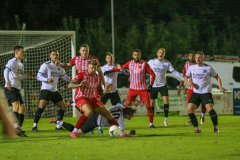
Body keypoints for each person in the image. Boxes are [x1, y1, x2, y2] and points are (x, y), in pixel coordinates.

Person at [67, 59, 119, 138]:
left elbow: (101, 93)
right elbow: (70, 85)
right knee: (89, 111)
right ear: (88, 67)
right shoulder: (82, 75)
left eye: (95, 68)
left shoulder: (98, 77)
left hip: (92, 99)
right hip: (81, 98)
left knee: (107, 113)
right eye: (92, 67)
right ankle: (74, 132)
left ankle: (120, 131)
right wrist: (79, 85)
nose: (93, 69)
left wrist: (106, 90)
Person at [184, 51, 225, 133]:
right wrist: (187, 82)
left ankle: (216, 127)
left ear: (203, 58)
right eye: (196, 57)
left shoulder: (208, 68)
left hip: (206, 93)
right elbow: (186, 77)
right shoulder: (192, 67)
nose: (197, 59)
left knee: (210, 109)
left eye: (199, 57)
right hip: (196, 93)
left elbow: (217, 77)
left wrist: (220, 87)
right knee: (189, 110)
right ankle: (197, 128)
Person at [32, 50, 72, 131]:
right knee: (41, 107)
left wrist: (73, 81)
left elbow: (64, 77)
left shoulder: (60, 66)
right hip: (46, 89)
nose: (55, 56)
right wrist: (47, 79)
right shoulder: (46, 65)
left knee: (63, 107)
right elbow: (38, 76)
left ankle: (58, 126)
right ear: (50, 56)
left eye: (57, 54)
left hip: (54, 90)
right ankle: (34, 126)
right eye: (53, 55)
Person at [117, 49, 156, 128]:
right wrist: (111, 70)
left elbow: (153, 74)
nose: (136, 56)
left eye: (138, 55)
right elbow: (121, 68)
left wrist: (151, 85)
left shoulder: (145, 64)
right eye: (135, 55)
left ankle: (151, 124)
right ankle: (121, 124)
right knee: (126, 106)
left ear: (140, 56)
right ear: (132, 55)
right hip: (132, 89)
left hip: (143, 89)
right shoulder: (129, 63)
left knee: (148, 106)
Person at [49, 103, 136, 137]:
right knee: (76, 132)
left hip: (96, 115)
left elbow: (119, 104)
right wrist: (129, 135)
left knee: (77, 128)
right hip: (94, 121)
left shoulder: (121, 108)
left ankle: (73, 104)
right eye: (131, 115)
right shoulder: (121, 121)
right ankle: (58, 121)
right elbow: (121, 134)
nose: (132, 117)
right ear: (127, 114)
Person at [148, 48, 184, 126]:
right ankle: (151, 122)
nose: (161, 54)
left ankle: (165, 119)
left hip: (162, 85)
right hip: (153, 85)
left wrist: (183, 79)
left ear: (164, 55)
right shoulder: (151, 62)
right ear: (157, 53)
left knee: (166, 101)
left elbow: (173, 71)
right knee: (152, 104)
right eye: (160, 52)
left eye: (163, 53)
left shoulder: (166, 63)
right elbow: (144, 69)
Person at [95, 52, 129, 134]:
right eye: (108, 58)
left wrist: (122, 69)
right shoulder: (102, 68)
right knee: (99, 109)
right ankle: (98, 127)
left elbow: (127, 73)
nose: (110, 60)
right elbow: (96, 78)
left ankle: (121, 128)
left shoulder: (115, 68)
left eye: (111, 58)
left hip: (114, 92)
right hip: (105, 91)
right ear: (106, 59)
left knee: (120, 108)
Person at [4, 46, 33, 137]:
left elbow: (19, 77)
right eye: (22, 52)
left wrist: (26, 75)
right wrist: (7, 81)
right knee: (16, 105)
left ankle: (18, 128)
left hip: (16, 88)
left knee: (22, 107)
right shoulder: (12, 61)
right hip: (10, 87)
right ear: (16, 53)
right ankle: (15, 127)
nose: (23, 53)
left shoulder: (20, 64)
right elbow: (6, 70)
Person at [178, 51, 206, 125]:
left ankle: (202, 116)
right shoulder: (186, 65)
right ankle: (191, 119)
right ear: (188, 57)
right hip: (190, 88)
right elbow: (184, 77)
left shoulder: (199, 65)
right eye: (190, 56)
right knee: (190, 104)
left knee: (203, 102)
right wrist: (180, 86)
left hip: (199, 88)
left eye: (193, 56)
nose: (191, 57)